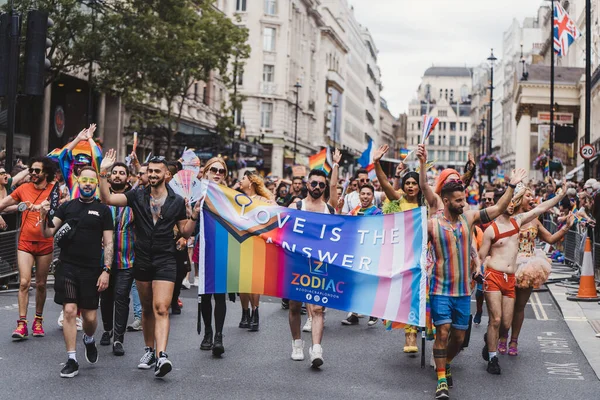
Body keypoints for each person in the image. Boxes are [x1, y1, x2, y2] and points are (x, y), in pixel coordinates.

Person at [419, 143, 526, 400]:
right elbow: (424, 189)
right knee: (443, 333)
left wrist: (511, 186)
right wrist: (422, 164)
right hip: (440, 289)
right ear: (445, 201)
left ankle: (446, 363)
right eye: (458, 201)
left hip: (463, 291)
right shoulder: (432, 225)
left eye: (464, 199)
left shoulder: (469, 218)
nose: (463, 203)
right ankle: (442, 379)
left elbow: (499, 208)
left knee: (458, 337)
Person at [99, 150, 196, 378]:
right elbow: (107, 199)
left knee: (161, 308)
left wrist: (193, 216)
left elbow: (184, 231)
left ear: (167, 175)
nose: (152, 174)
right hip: (141, 258)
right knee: (147, 309)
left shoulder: (177, 201)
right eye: (149, 171)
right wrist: (103, 172)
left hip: (165, 259)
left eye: (156, 171)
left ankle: (162, 355)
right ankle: (149, 350)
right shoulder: (137, 196)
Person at [477, 185, 567, 374]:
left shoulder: (519, 221)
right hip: (494, 275)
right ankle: (493, 357)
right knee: (496, 318)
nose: (512, 206)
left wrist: (560, 195)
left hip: (514, 275)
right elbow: (481, 255)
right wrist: (477, 269)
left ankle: (497, 339)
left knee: (506, 322)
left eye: (515, 202)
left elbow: (541, 208)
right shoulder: (491, 229)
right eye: (509, 202)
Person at [39, 166, 113, 378]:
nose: (88, 184)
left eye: (92, 181)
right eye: (84, 180)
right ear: (78, 183)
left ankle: (89, 339)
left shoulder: (103, 211)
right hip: (68, 266)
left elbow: (108, 243)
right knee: (70, 311)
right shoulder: (67, 207)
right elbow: (48, 233)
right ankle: (72, 359)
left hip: (92, 270)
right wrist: (44, 216)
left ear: (96, 185)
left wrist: (106, 270)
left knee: (90, 318)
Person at [502, 185, 575, 357]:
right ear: (519, 197)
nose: (533, 199)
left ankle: (514, 340)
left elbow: (550, 238)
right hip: (509, 265)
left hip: (529, 266)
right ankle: (501, 337)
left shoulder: (535, 220)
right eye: (529, 196)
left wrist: (566, 227)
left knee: (520, 307)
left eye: (533, 196)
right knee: (506, 307)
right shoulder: (508, 218)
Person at [370, 144, 424, 352]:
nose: (410, 186)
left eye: (414, 183)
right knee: (407, 296)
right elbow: (384, 184)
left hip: (423, 255)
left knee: (424, 297)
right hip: (403, 256)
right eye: (407, 183)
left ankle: (433, 337)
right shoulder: (398, 200)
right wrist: (376, 163)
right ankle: (410, 337)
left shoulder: (425, 204)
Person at [0, 157, 57, 339]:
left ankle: (38, 320)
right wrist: (20, 206)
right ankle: (22, 324)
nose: (32, 173)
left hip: (45, 243)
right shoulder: (23, 189)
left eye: (37, 171)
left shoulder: (53, 190)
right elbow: (2, 204)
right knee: (24, 282)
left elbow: (56, 210)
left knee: (40, 284)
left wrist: (43, 208)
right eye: (31, 170)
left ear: (46, 173)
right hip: (25, 242)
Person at [287, 168, 338, 369]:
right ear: (308, 184)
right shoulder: (296, 207)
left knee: (317, 308)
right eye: (314, 183)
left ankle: (316, 349)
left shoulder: (330, 210)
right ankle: (297, 343)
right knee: (294, 306)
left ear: (325, 188)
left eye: (321, 185)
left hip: (319, 264)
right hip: (296, 262)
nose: (317, 187)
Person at [98, 162, 136, 356]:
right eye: (115, 173)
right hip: (103, 259)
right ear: (110, 176)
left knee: (121, 297)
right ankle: (107, 329)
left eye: (122, 173)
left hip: (127, 259)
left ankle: (118, 339)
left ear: (128, 177)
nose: (119, 176)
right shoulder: (101, 199)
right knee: (106, 296)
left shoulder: (134, 199)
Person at [196, 157, 230, 356]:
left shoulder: (230, 196)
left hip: (222, 248)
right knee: (204, 294)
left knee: (219, 294)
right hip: (203, 247)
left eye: (222, 171)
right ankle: (207, 332)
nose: (218, 173)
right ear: (206, 172)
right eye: (214, 170)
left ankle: (218, 335)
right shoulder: (198, 193)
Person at [238, 170, 274, 332]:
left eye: (243, 178)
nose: (240, 180)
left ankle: (255, 311)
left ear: (250, 182)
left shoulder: (261, 200)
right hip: (240, 243)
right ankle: (245, 312)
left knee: (254, 281)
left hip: (257, 243)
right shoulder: (237, 199)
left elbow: (275, 211)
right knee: (242, 282)